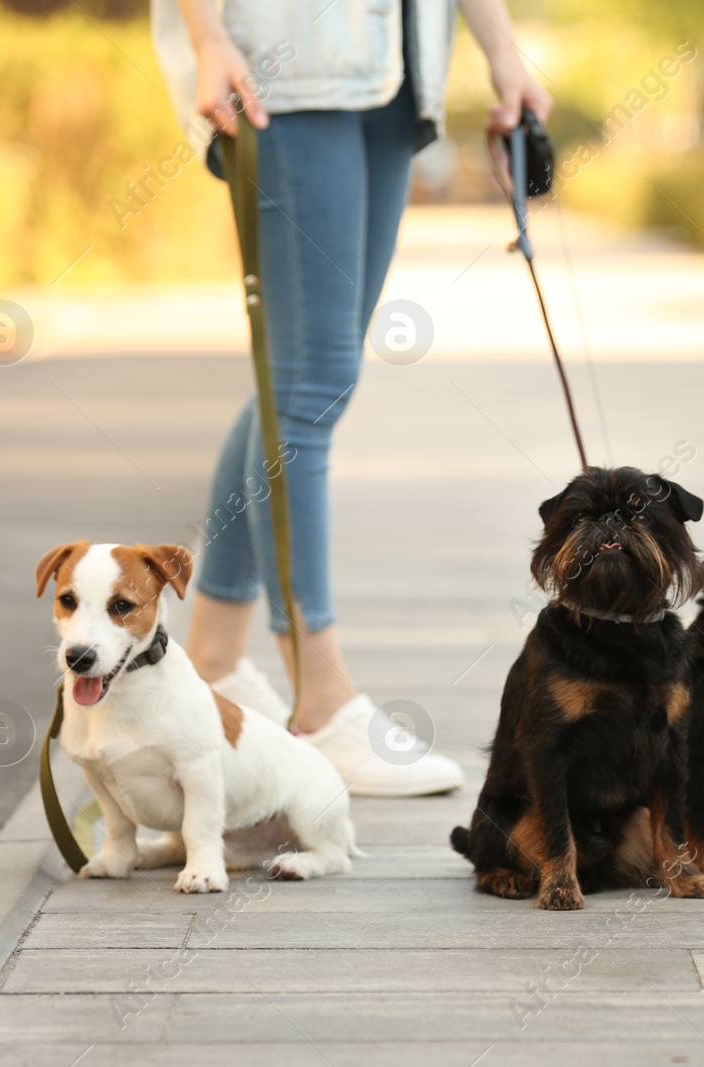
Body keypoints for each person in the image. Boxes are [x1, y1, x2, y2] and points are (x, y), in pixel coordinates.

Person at [151, 0, 551, 796]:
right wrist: (209, 36)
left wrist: (501, 48)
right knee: (307, 382)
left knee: (304, 380)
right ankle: (320, 702)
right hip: (285, 66)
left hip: (398, 65)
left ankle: (213, 669)